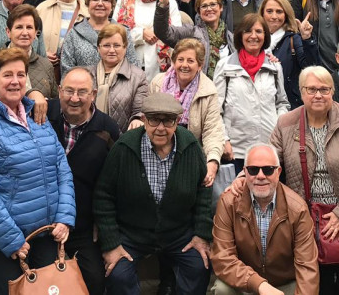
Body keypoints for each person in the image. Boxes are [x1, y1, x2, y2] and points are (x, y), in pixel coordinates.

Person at [0, 46, 76, 295]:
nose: (15, 81)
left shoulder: (38, 117)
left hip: (45, 234)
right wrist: (10, 239)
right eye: (7, 75)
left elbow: (62, 171)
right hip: (7, 241)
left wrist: (65, 217)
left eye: (21, 75)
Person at [269, 65, 339, 294]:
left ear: (332, 91)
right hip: (306, 218)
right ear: (301, 91)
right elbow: (269, 163)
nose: (318, 95)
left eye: (324, 89)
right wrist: (243, 178)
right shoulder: (286, 124)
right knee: (318, 283)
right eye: (312, 89)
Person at [94, 92, 213, 295]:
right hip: (133, 234)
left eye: (167, 121)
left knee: (198, 266)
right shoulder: (124, 148)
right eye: (153, 120)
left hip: (178, 233)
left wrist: (201, 235)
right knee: (118, 275)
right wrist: (111, 244)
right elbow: (103, 196)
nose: (160, 128)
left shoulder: (191, 146)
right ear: (143, 120)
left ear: (177, 122)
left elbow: (203, 190)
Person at [47, 67, 121, 294]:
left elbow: (112, 183)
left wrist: (104, 227)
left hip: (82, 226)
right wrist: (34, 94)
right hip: (42, 224)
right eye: (69, 90)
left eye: (82, 92)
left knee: (95, 281)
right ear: (59, 91)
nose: (75, 98)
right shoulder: (44, 114)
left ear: (94, 94)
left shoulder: (107, 128)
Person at [210, 143, 320, 295]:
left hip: (284, 285)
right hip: (244, 282)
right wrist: (259, 285)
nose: (260, 176)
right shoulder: (228, 203)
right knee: (222, 290)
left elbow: (307, 267)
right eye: (253, 170)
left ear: (278, 171)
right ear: (245, 172)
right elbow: (222, 258)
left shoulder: (297, 208)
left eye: (268, 170)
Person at [215, 14, 290, 172]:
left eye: (259, 31)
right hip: (236, 150)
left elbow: (282, 103)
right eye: (248, 31)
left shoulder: (275, 67)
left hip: (268, 149)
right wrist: (224, 140)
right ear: (240, 35)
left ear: (265, 36)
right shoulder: (225, 66)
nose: (253, 36)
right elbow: (216, 110)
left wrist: (278, 130)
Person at [149, 38, 225, 187]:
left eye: (190, 61)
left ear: (200, 65)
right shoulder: (157, 83)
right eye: (180, 60)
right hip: (156, 155)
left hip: (189, 157)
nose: (184, 65)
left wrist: (213, 162)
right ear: (173, 61)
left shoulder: (208, 90)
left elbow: (213, 132)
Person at [114, 0, 180, 77]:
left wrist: (159, 33)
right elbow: (115, 32)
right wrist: (140, 34)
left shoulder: (169, 2)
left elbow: (176, 34)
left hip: (160, 68)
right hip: (128, 63)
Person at [0, 4, 57, 99]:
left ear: (36, 33)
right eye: (19, 27)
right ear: (8, 32)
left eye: (29, 27)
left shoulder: (46, 66)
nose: (25, 33)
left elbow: (54, 102)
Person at [154, 0, 229, 78]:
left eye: (213, 4)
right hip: (199, 88)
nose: (209, 9)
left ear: (220, 7)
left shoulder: (230, 37)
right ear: (199, 11)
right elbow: (163, 32)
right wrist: (163, 5)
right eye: (204, 6)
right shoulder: (191, 32)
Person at [60, 0, 138, 72]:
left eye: (105, 0)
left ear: (112, 5)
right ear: (87, 4)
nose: (100, 4)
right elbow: (67, 69)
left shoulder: (123, 32)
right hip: (83, 85)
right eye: (95, 0)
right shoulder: (74, 34)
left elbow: (133, 67)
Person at [260, 0, 317, 108]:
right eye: (269, 11)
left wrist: (307, 39)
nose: (274, 16)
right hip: (261, 107)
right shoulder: (254, 40)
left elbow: (311, 67)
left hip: (289, 107)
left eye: (279, 11)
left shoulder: (293, 39)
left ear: (286, 15)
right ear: (262, 14)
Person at [89, 23, 147, 132]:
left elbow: (140, 110)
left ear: (125, 48)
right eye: (106, 45)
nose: (111, 50)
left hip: (121, 140)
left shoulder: (138, 77)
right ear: (98, 48)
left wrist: (137, 119)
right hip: (89, 139)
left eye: (116, 45)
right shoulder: (87, 75)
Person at [35, 0, 88, 70]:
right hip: (46, 71)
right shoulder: (41, 9)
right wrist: (41, 54)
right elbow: (30, 40)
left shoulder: (88, 11)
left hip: (78, 73)